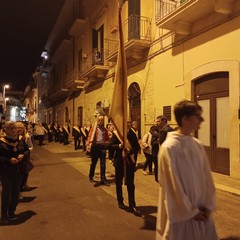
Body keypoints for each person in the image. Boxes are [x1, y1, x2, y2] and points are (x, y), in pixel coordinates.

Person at [156, 100, 218, 240]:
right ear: (185, 119)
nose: (202, 120)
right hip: (181, 216)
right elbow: (172, 186)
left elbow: (207, 178)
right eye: (197, 116)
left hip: (202, 213)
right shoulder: (169, 148)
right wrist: (191, 211)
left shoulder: (197, 145)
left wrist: (208, 205)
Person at [0, 121, 30, 224]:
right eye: (11, 128)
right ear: (6, 130)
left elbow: (27, 150)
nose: (14, 130)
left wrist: (23, 155)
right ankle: (4, 216)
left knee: (16, 192)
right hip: (6, 171)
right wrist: (8, 160)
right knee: (6, 192)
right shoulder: (2, 141)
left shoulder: (21, 140)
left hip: (19, 170)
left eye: (15, 128)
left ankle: (12, 212)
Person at [109, 127, 141, 217]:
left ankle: (132, 205)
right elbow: (110, 145)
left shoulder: (131, 133)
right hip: (119, 162)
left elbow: (137, 147)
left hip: (129, 162)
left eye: (129, 122)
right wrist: (119, 146)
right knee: (118, 182)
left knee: (131, 184)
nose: (127, 124)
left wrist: (130, 151)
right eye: (126, 122)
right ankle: (120, 201)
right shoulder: (116, 133)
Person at [86, 115, 109, 185]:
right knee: (94, 163)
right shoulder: (94, 129)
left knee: (103, 164)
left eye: (102, 120)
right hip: (95, 147)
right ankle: (91, 176)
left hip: (102, 147)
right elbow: (90, 136)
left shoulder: (105, 130)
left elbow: (107, 139)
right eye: (99, 120)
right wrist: (88, 145)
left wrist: (107, 143)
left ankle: (103, 179)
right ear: (97, 121)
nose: (100, 121)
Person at [16, 122, 33, 199]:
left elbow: (30, 147)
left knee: (24, 174)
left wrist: (24, 154)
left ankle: (20, 191)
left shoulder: (26, 137)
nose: (19, 129)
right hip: (14, 160)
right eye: (18, 127)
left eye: (21, 128)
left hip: (24, 158)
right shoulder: (11, 136)